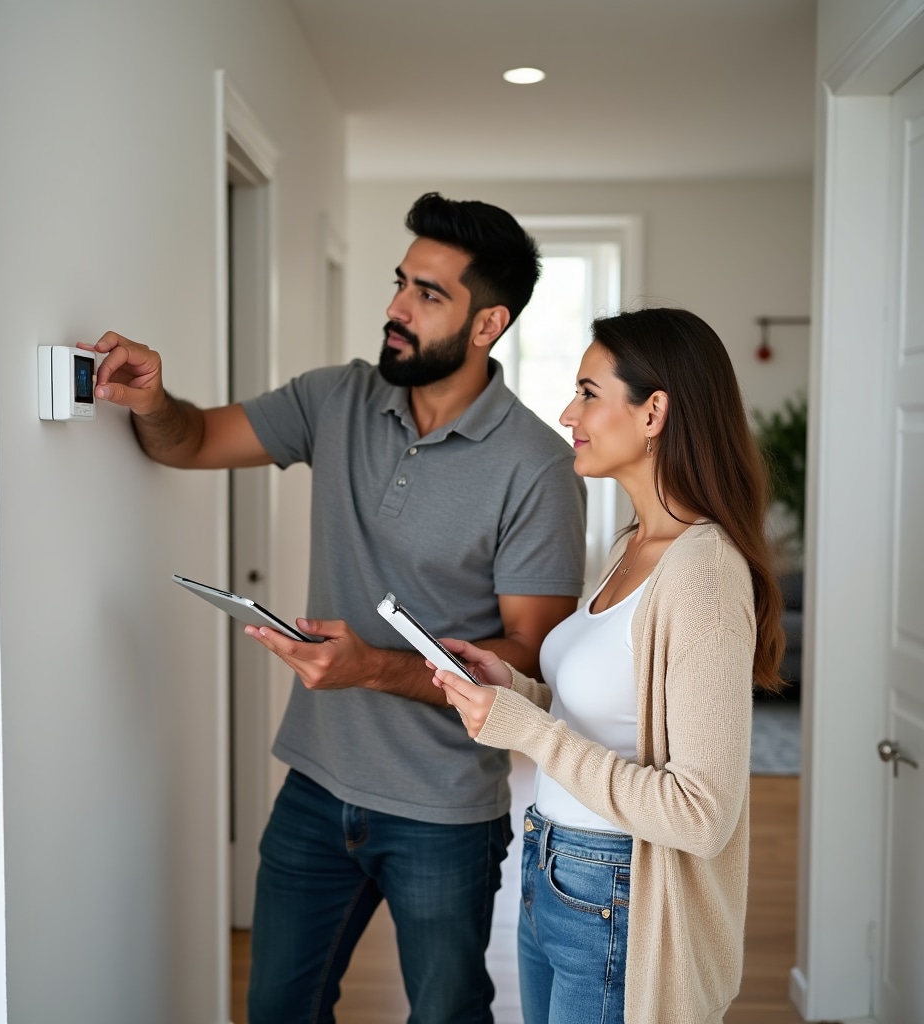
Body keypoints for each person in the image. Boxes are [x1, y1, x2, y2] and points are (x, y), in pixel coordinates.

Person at [81, 193, 588, 1024]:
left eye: (428, 294)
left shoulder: (534, 466)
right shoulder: (337, 400)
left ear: (488, 322)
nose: (394, 308)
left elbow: (531, 657)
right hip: (316, 785)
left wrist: (373, 667)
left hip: (442, 806)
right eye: (401, 284)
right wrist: (152, 399)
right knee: (280, 1008)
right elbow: (195, 440)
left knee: (446, 1014)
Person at [432, 307, 786, 1024]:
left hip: (619, 892)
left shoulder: (704, 574)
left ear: (654, 411)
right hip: (553, 868)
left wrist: (529, 732)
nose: (568, 412)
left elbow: (701, 814)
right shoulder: (632, 546)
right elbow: (611, 709)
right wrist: (519, 689)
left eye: (589, 392)